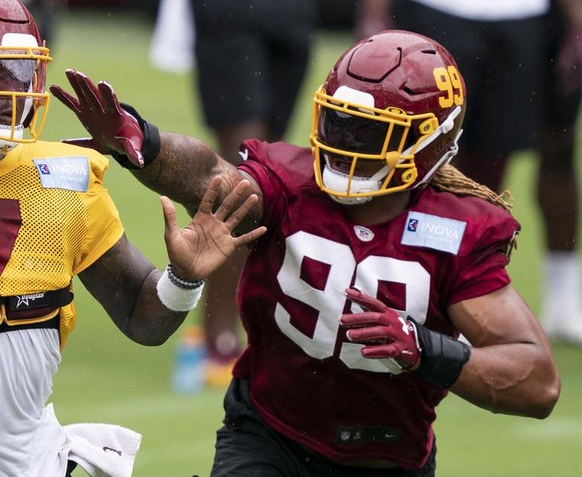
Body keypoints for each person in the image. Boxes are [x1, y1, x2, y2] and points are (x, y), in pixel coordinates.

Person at [51, 30, 560, 476]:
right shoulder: (291, 185)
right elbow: (213, 177)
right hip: (268, 435)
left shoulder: (454, 231)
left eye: (368, 133)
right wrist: (144, 144)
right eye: (338, 124)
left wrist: (425, 350)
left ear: (428, 144)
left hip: (389, 459)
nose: (344, 144)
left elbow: (538, 383)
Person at [0, 0, 265, 476]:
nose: (3, 95)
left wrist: (183, 279)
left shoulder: (60, 184)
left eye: (10, 75)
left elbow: (144, 317)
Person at [355, 0, 582, 345]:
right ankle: (410, 291)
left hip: (520, 11)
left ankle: (473, 299)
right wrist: (374, 7)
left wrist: (577, 16)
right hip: (431, 3)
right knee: (419, 157)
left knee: (490, 168)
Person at [185, 0, 316, 385]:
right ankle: (219, 332)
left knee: (270, 162)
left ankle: (241, 317)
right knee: (243, 170)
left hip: (296, 5)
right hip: (231, 3)